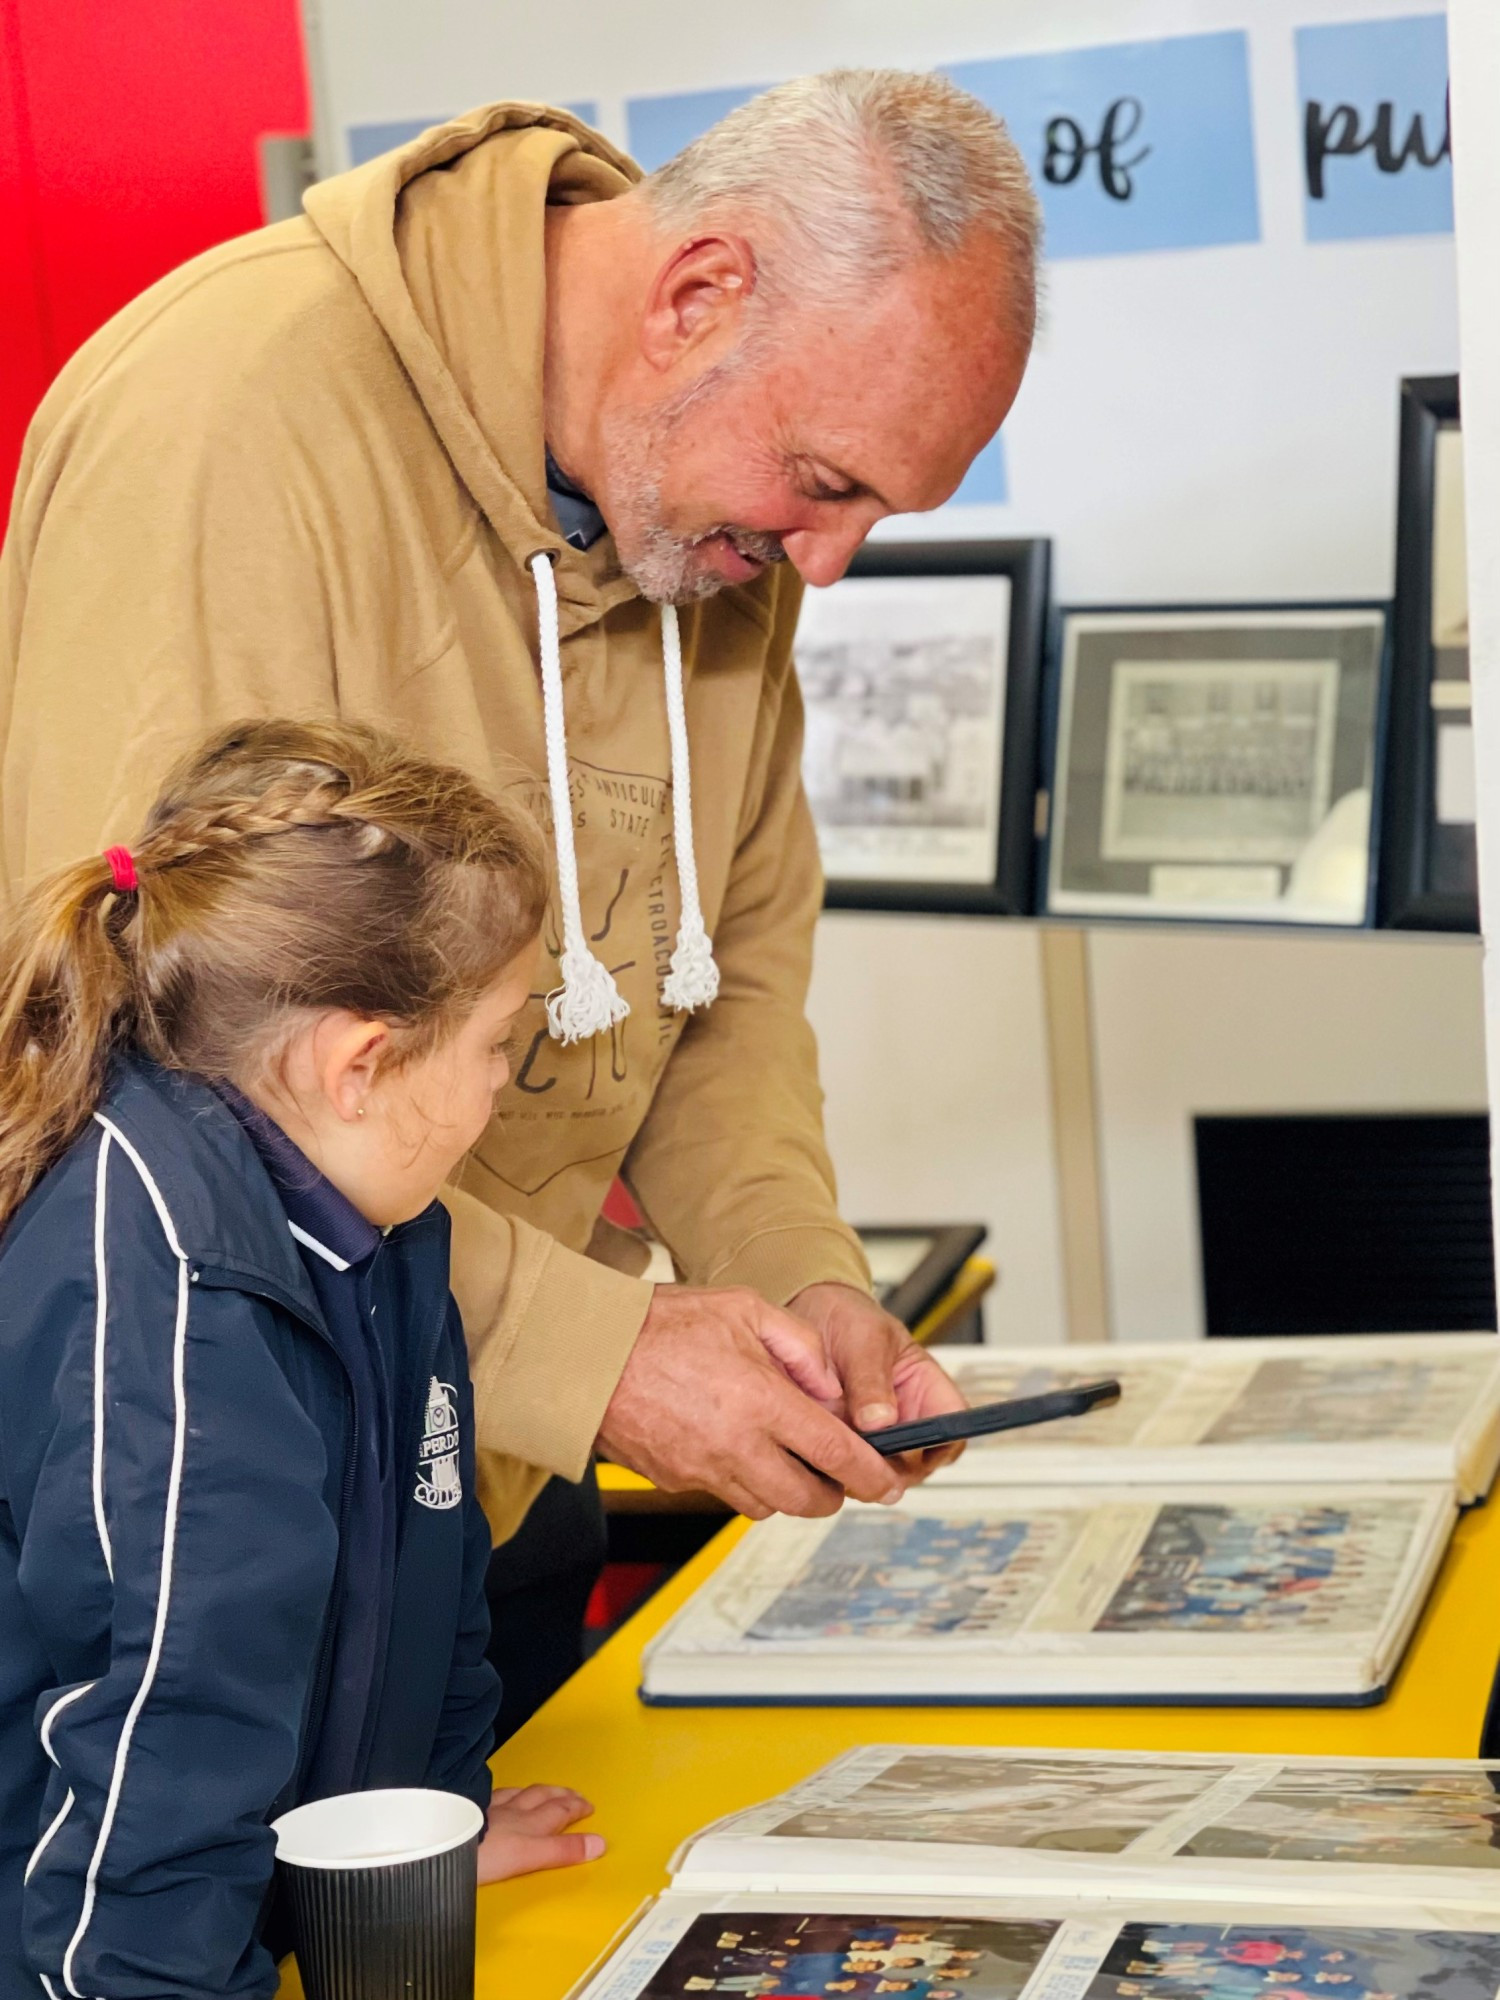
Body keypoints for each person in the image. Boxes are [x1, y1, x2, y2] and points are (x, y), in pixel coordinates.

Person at [0, 70, 1041, 1671]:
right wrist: (598, 1351)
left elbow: (724, 994)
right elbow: (146, 1063)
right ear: (698, 297)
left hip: (480, 1474)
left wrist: (796, 1286)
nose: (829, 561)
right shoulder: (226, 422)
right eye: (829, 485)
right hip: (205, 1509)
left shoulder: (707, 526)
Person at [0, 720, 707, 1996]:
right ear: (360, 1062)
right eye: (499, 1041)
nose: (505, 1081)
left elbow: (433, 1560)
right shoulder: (178, 1286)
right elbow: (166, 1730)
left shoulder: (384, 1217)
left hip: (268, 1911)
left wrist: (423, 1828)